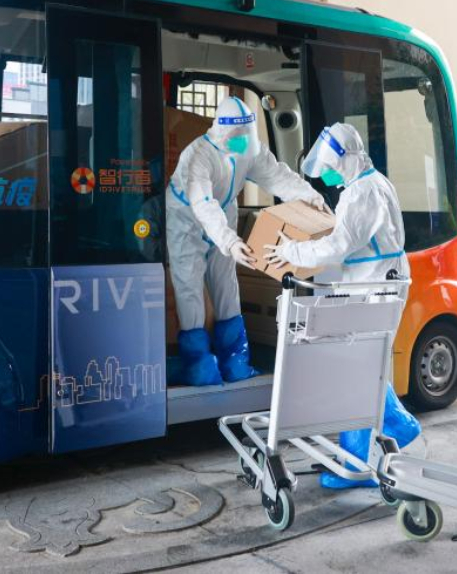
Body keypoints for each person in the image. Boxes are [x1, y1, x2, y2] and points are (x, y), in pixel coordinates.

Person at [263, 122, 421, 489]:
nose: (329, 174)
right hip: (377, 284)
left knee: (361, 371)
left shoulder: (362, 193)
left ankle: (362, 455)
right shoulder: (370, 184)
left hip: (377, 287)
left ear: (346, 159)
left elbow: (339, 246)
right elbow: (351, 244)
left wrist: (291, 251)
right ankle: (360, 452)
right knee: (364, 368)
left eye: (331, 166)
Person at [166, 96, 327, 386]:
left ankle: (235, 361)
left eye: (247, 137)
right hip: (185, 215)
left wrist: (309, 195)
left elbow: (277, 176)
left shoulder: (248, 150)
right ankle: (199, 365)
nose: (244, 144)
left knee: (226, 282)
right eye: (238, 138)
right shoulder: (198, 155)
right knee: (189, 285)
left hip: (224, 210)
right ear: (224, 132)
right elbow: (202, 203)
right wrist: (228, 241)